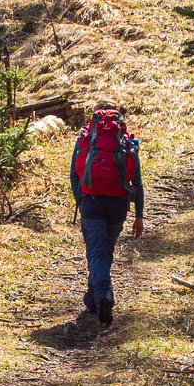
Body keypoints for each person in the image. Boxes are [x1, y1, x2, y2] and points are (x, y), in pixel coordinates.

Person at [70, 105, 143, 326]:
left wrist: (80, 201)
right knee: (105, 251)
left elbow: (74, 173)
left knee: (96, 252)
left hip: (91, 202)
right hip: (117, 204)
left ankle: (103, 296)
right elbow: (137, 182)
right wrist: (139, 215)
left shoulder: (85, 138)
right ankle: (93, 299)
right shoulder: (126, 141)